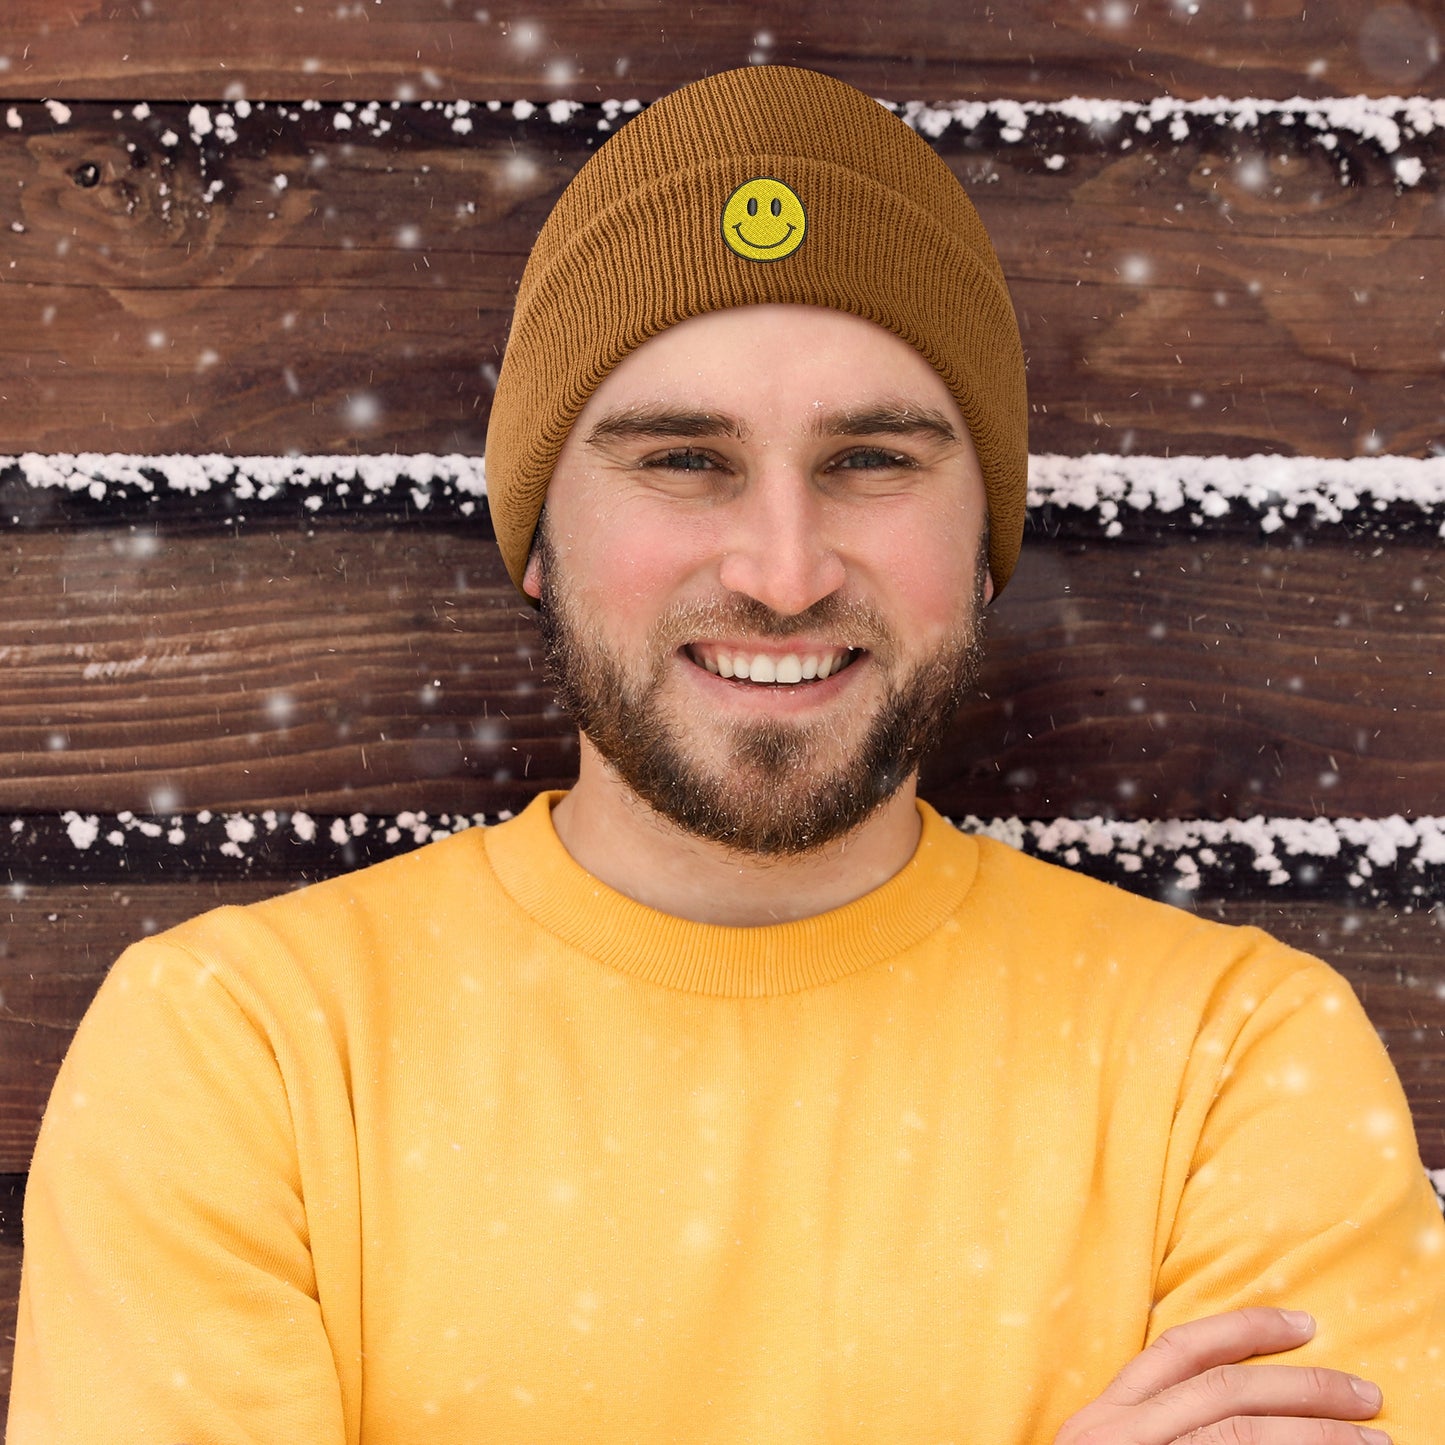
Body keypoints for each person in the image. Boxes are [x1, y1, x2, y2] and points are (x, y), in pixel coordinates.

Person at [9, 65, 1443, 1445]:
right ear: (536, 533)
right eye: (681, 460)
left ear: (984, 534)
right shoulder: (238, 1051)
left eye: (872, 460)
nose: (780, 568)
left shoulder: (1235, 1064)